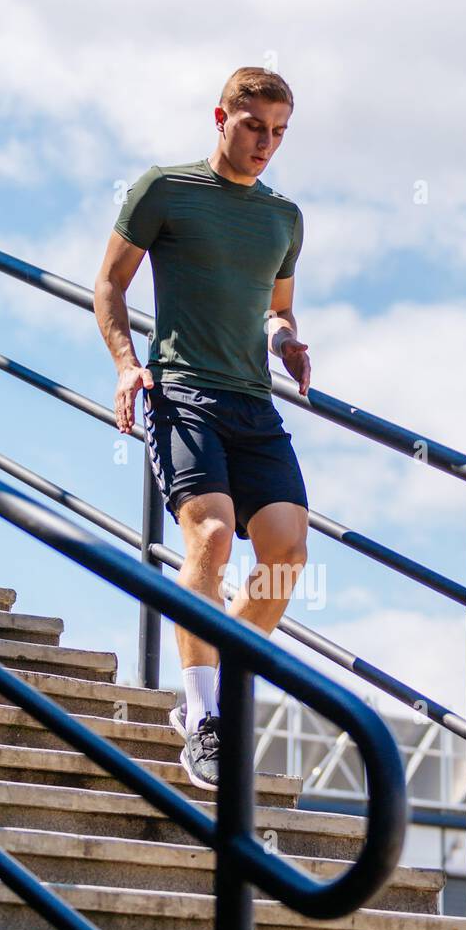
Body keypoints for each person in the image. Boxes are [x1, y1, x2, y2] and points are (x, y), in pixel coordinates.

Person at [94, 66, 311, 789]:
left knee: (285, 555)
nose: (266, 145)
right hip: (182, 390)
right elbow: (110, 284)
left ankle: (216, 690)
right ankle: (206, 714)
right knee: (212, 538)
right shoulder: (166, 189)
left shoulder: (283, 218)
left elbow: (277, 307)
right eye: (255, 127)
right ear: (222, 117)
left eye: (279, 133)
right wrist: (127, 365)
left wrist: (285, 340)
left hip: (254, 403)